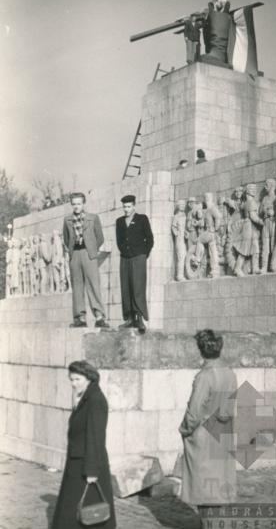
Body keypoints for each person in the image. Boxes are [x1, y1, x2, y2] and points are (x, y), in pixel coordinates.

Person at [179, 330, 237, 529]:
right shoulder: (230, 372)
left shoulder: (205, 375)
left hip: (204, 438)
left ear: (201, 350)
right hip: (222, 434)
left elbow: (194, 413)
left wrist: (184, 430)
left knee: (203, 490)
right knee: (217, 488)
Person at [52, 361, 116, 529]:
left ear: (89, 378)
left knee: (85, 511)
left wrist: (92, 471)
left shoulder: (95, 399)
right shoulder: (85, 397)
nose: (74, 384)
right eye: (71, 379)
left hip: (86, 465)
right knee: (76, 510)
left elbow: (96, 436)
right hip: (78, 463)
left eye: (78, 379)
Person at [63, 192, 109, 328]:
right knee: (77, 287)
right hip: (75, 254)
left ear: (84, 204)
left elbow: (100, 237)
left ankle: (100, 317)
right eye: (74, 204)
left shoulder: (93, 218)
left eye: (79, 203)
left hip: (89, 254)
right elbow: (66, 238)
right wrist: (71, 252)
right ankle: (80, 318)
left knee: (93, 285)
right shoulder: (67, 220)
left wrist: (92, 250)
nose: (76, 206)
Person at [116, 195, 154, 334]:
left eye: (129, 206)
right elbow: (119, 240)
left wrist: (144, 253)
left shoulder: (142, 219)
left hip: (138, 257)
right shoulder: (119, 221)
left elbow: (149, 238)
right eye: (124, 207)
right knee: (126, 287)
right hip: (125, 258)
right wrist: (125, 252)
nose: (126, 209)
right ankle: (130, 318)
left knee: (138, 287)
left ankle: (139, 318)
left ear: (134, 206)